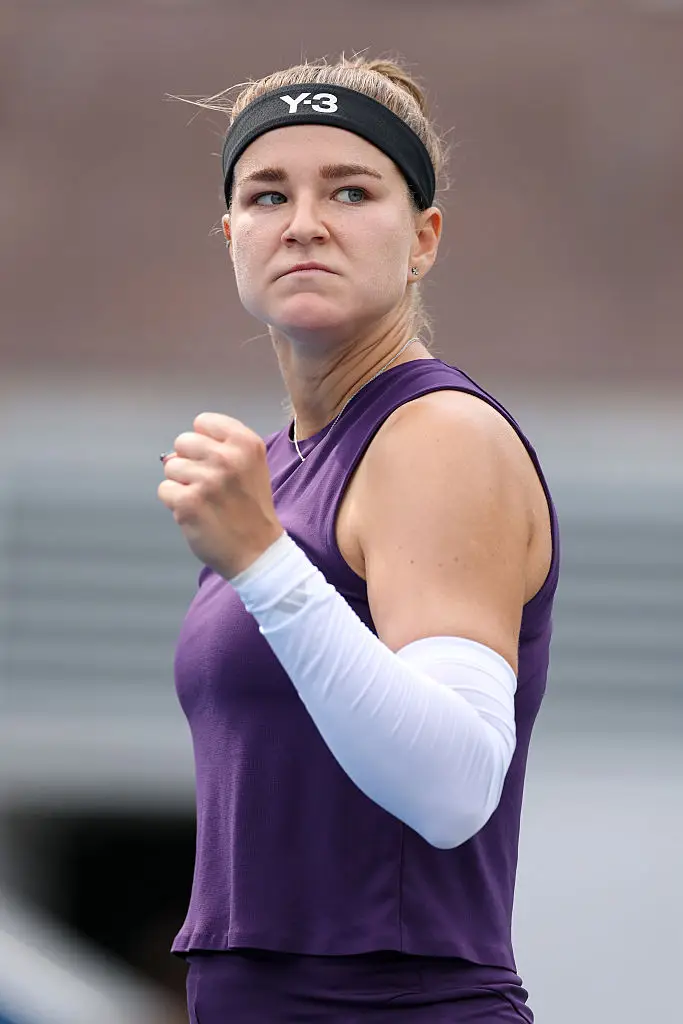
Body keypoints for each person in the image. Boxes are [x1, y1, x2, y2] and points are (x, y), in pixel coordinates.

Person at [157, 55, 559, 1024]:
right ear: (229, 234)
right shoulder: (280, 462)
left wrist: (261, 561)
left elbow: (454, 782)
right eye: (266, 194)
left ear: (421, 238)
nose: (303, 221)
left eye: (349, 189)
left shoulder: (437, 436)